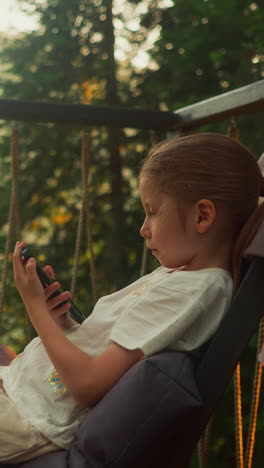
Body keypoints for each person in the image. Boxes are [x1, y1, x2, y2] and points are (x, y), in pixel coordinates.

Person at [1, 132, 264, 463]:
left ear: (202, 216)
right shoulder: (181, 276)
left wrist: (35, 307)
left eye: (153, 211)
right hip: (20, 390)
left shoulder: (193, 292)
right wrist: (62, 322)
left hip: (29, 416)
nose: (144, 228)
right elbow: (102, 349)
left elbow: (87, 385)